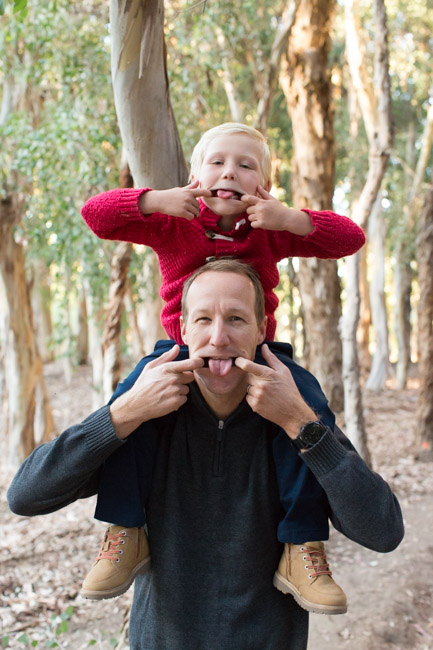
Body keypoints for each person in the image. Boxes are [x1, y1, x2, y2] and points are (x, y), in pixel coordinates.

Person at [8, 260, 404, 650]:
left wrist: (302, 425)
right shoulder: (147, 415)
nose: (218, 337)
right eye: (202, 320)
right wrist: (125, 412)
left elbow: (383, 531)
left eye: (235, 319)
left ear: (261, 329)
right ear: (182, 329)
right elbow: (26, 495)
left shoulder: (295, 408)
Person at [79, 122, 366, 610]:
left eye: (245, 165)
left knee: (303, 411)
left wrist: (291, 218)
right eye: (216, 162)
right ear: (195, 176)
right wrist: (154, 200)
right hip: (178, 352)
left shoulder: (269, 231)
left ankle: (301, 546)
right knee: (128, 410)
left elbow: (350, 238)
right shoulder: (172, 223)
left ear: (263, 187)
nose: (229, 171)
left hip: (258, 356)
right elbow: (96, 215)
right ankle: (125, 532)